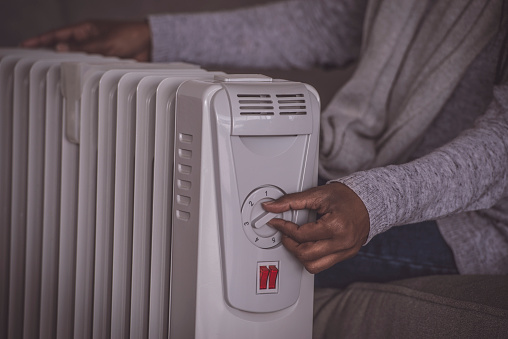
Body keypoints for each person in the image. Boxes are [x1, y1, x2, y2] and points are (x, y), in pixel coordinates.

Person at [22, 0, 508, 287]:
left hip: (470, 218)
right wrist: (157, 35)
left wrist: (374, 202)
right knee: (135, 193)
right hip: (361, 161)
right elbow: (339, 21)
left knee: (213, 243)